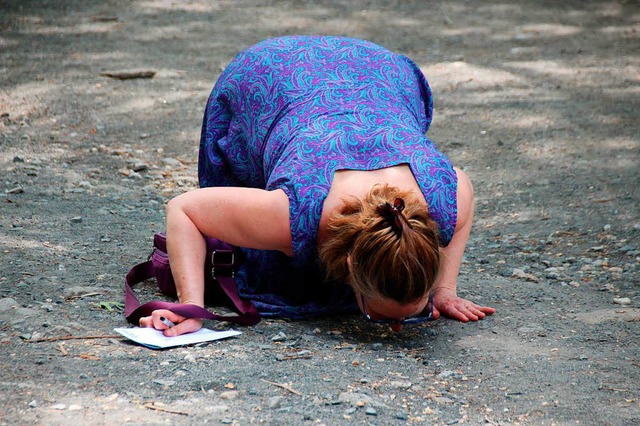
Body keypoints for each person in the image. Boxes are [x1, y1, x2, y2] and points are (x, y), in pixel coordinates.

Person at [139, 35, 495, 335]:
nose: (398, 328)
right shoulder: (295, 215)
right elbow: (185, 209)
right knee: (261, 257)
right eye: (379, 317)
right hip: (274, 73)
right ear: (352, 265)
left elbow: (465, 186)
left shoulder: (443, 200)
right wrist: (191, 305)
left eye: (415, 313)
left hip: (376, 74)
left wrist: (445, 290)